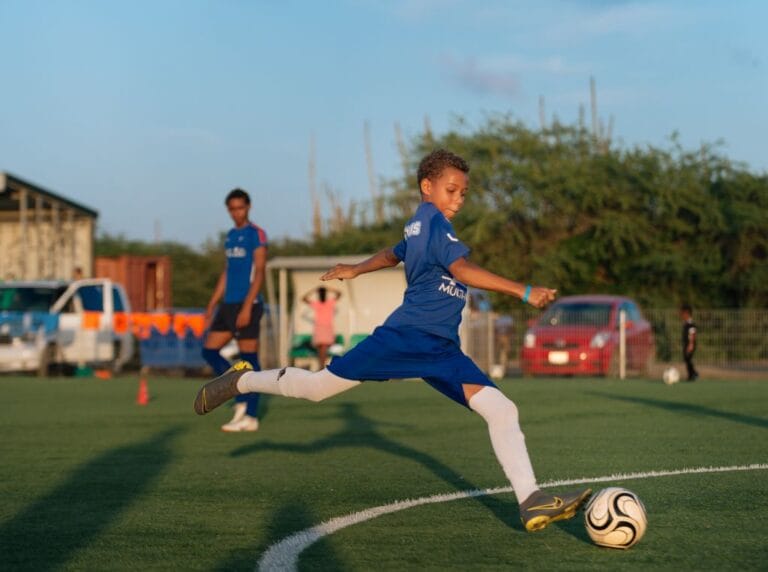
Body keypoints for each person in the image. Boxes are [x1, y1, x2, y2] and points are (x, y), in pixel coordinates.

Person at [194, 150, 591, 530]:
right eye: (451, 190)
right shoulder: (434, 223)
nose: (459, 199)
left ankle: (530, 499)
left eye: (464, 193)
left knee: (502, 410)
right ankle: (241, 380)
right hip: (406, 337)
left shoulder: (419, 225)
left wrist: (355, 268)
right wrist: (523, 291)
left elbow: (392, 254)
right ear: (427, 186)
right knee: (317, 389)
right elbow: (462, 269)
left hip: (438, 349)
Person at [201, 188, 268, 432]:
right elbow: (227, 271)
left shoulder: (256, 234)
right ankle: (238, 394)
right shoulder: (230, 235)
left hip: (247, 304)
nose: (236, 213)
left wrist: (248, 306)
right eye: (232, 209)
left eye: (240, 207)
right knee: (209, 351)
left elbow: (259, 271)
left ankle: (251, 416)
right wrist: (212, 303)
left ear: (248, 207)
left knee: (249, 359)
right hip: (228, 305)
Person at [301, 286, 342, 369]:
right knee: (321, 349)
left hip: (324, 327)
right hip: (322, 327)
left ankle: (322, 367)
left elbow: (304, 298)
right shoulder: (323, 303)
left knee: (323, 349)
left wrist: (315, 290)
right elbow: (339, 294)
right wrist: (325, 289)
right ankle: (322, 367)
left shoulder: (326, 303)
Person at [680, 304, 698, 381]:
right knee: (687, 359)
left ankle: (693, 374)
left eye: (682, 313)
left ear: (687, 313)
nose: (681, 315)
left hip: (690, 345)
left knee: (688, 359)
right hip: (686, 344)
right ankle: (692, 374)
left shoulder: (691, 324)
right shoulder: (686, 324)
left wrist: (691, 345)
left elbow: (693, 334)